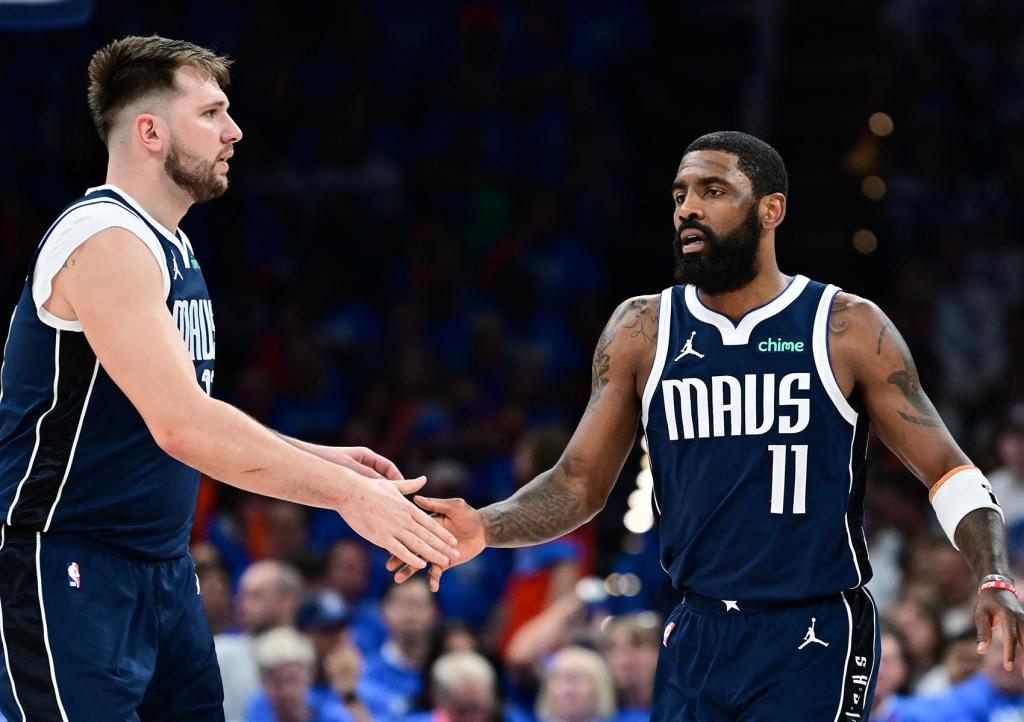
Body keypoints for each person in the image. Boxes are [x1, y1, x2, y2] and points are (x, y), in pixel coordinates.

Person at [390, 131, 1024, 720]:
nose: (688, 208)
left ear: (771, 209)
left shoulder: (846, 326)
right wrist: (484, 526)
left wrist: (992, 573)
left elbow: (947, 470)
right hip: (696, 625)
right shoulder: (641, 330)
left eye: (713, 191)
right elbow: (579, 485)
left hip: (814, 627)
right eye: (680, 194)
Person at [0, 35, 457, 721]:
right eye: (212, 112)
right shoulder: (105, 240)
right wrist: (345, 497)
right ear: (149, 131)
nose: (234, 130)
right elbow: (182, 426)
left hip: (161, 568)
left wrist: (319, 458)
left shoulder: (172, 243)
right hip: (68, 562)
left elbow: (191, 409)